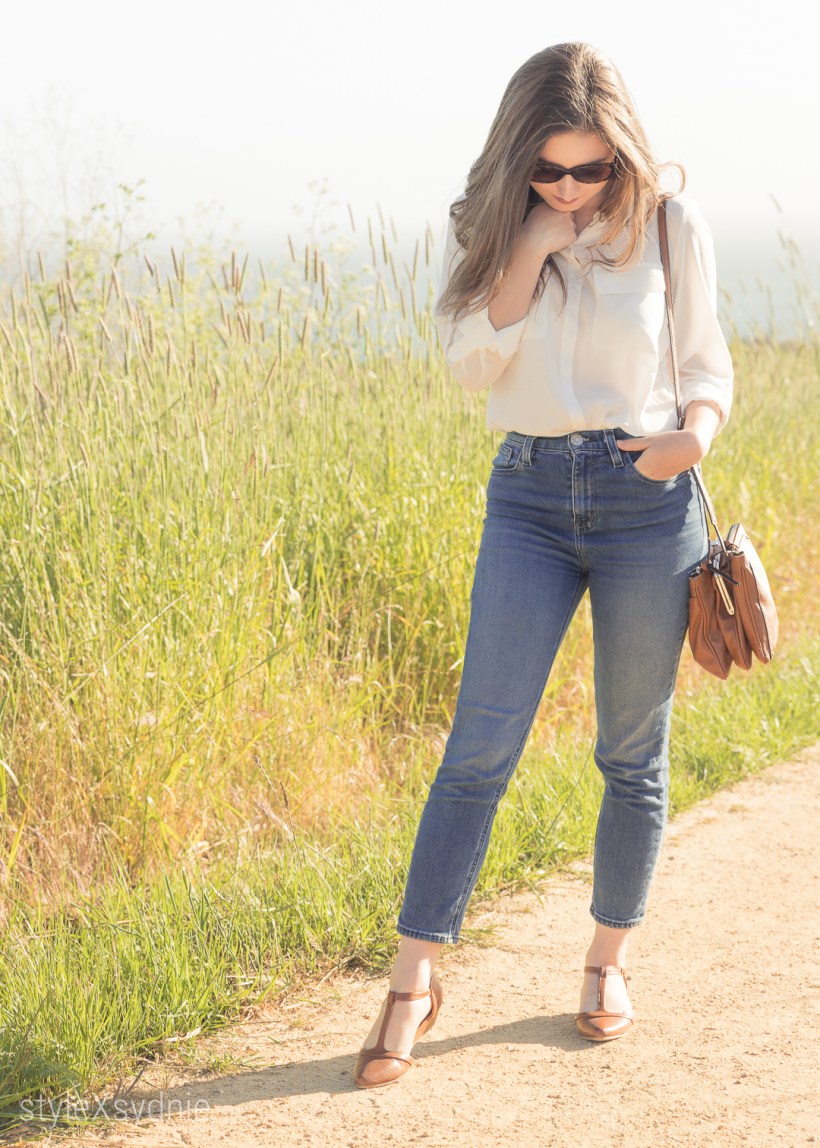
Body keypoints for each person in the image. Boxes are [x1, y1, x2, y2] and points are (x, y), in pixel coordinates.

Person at [353, 41, 733, 1089]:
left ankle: (607, 959)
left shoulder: (668, 222)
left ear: (621, 155)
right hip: (527, 495)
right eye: (548, 168)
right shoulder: (491, 226)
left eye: (589, 169)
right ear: (520, 156)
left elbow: (707, 365)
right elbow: (471, 363)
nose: (568, 186)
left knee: (630, 749)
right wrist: (526, 244)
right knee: (478, 747)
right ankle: (411, 981)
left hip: (646, 497)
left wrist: (691, 439)